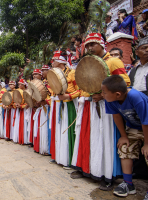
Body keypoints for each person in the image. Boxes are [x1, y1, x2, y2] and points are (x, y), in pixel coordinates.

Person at [71, 33, 130, 190]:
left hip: (106, 106)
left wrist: (103, 95)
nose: (90, 48)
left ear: (102, 44)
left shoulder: (114, 61)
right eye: (87, 45)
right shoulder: (86, 62)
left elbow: (125, 82)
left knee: (104, 140)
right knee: (88, 138)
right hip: (89, 106)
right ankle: (85, 168)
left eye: (93, 44)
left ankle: (106, 174)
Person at [101, 75, 148, 199]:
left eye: (104, 92)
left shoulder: (135, 97)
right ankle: (128, 184)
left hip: (146, 126)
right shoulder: (110, 100)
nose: (102, 94)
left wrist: (147, 144)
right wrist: (123, 136)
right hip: (134, 128)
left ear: (117, 94)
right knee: (125, 148)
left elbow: (146, 121)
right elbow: (116, 116)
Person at [49, 50, 79, 169]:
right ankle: (60, 157)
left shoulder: (72, 73)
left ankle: (70, 160)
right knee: (60, 131)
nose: (52, 63)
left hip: (70, 105)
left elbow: (80, 90)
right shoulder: (55, 74)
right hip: (59, 105)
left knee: (69, 131)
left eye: (54, 60)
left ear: (60, 61)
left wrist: (69, 96)